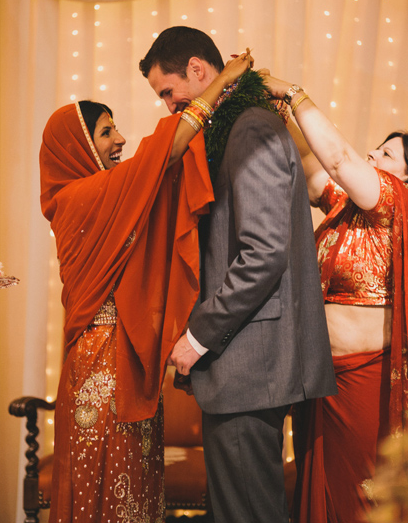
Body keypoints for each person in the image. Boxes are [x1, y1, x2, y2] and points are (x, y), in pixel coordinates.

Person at [38, 51, 250, 522]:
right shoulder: (79, 197)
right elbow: (165, 152)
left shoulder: (110, 194)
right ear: (76, 146)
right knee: (104, 487)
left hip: (128, 358)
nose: (121, 140)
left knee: (134, 485)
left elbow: (157, 171)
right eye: (106, 132)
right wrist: (224, 84)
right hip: (101, 364)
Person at [139, 26, 336, 523]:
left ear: (199, 71)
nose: (168, 106)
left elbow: (264, 252)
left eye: (168, 91)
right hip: (252, 362)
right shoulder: (232, 127)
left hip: (253, 364)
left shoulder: (248, 126)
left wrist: (199, 336)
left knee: (246, 514)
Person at [257, 72, 408, 522]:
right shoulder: (349, 207)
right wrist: (274, 110)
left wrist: (294, 92)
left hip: (364, 382)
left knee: (361, 500)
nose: (372, 154)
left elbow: (341, 160)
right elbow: (312, 169)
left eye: (386, 153)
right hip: (319, 379)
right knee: (315, 490)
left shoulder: (395, 202)